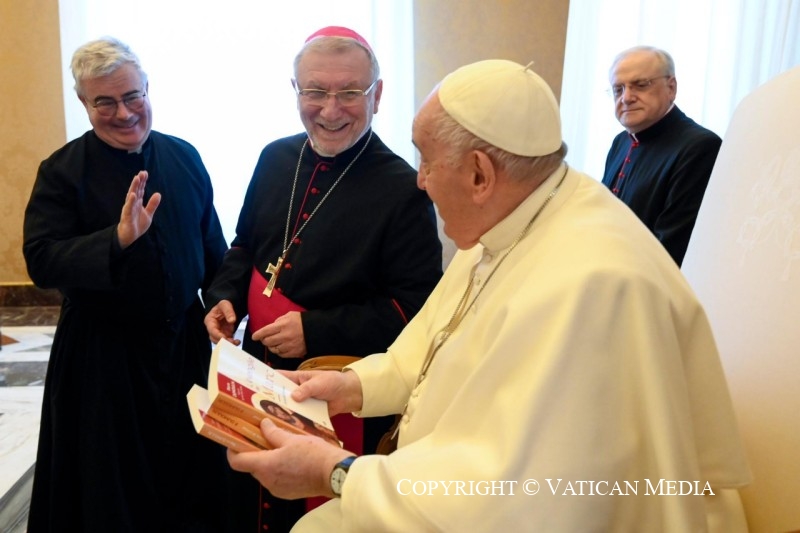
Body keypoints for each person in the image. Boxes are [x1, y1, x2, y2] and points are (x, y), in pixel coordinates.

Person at [227, 59, 752, 532]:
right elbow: (429, 350)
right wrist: (347, 386)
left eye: (427, 163)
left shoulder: (592, 285)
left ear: (480, 174)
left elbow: (520, 497)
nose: (421, 183)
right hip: (433, 483)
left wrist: (335, 474)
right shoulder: (516, 218)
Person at [203, 26, 442, 531]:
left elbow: (414, 307)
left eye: (349, 92)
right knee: (250, 498)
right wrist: (225, 296)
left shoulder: (402, 188)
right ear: (295, 91)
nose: (330, 110)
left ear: (377, 95)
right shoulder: (274, 158)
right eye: (315, 91)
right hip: (258, 370)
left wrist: (316, 330)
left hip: (337, 384)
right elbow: (245, 246)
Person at [23, 37, 237, 532]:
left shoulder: (184, 157)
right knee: (109, 489)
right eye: (104, 101)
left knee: (189, 478)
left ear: (147, 89)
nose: (123, 113)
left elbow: (213, 250)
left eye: (132, 96)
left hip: (183, 350)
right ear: (84, 103)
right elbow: (42, 260)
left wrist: (223, 298)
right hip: (103, 360)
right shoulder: (61, 172)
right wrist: (116, 241)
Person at [602, 46, 722, 266]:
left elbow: (673, 244)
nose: (626, 98)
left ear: (671, 88)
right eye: (618, 89)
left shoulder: (700, 147)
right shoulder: (621, 142)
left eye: (640, 85)